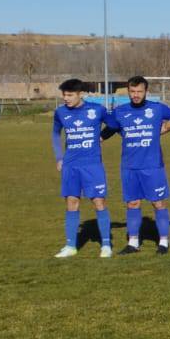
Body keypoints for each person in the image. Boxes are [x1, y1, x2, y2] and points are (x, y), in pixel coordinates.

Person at [105, 75, 170, 254]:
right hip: (129, 166)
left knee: (158, 203)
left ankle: (163, 242)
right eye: (133, 91)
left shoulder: (157, 109)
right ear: (128, 91)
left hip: (153, 166)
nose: (136, 95)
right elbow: (110, 129)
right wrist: (99, 139)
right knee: (132, 203)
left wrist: (164, 129)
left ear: (146, 91)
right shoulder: (121, 111)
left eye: (140, 91)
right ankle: (133, 243)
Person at [51, 79, 114, 258]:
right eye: (64, 95)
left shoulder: (97, 110)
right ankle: (71, 246)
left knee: (99, 202)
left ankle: (106, 245)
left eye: (70, 95)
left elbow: (114, 124)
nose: (66, 98)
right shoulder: (60, 112)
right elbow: (55, 133)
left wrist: (101, 137)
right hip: (71, 165)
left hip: (92, 165)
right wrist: (59, 157)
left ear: (81, 95)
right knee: (72, 202)